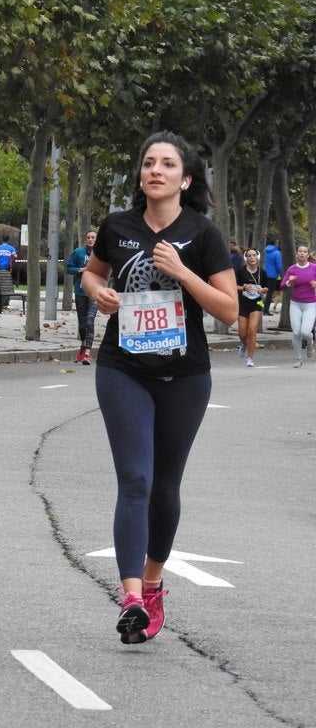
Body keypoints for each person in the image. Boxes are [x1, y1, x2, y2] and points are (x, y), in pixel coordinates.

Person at [81, 131, 237, 645]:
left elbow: (229, 312)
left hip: (185, 375)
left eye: (167, 164)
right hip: (123, 367)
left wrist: (182, 273)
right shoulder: (118, 227)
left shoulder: (203, 233)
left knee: (165, 486)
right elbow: (91, 274)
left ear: (184, 179)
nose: (155, 171)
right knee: (136, 480)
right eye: (148, 163)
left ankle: (152, 584)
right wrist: (100, 292)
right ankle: (129, 598)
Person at [279, 245, 316, 367]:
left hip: (310, 304)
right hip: (295, 303)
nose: (302, 254)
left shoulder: (314, 268)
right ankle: (298, 359)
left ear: (308, 254)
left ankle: (311, 341)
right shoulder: (292, 269)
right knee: (296, 332)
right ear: (296, 254)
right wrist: (290, 281)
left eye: (304, 252)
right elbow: (282, 285)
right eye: (300, 251)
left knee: (305, 332)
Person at [65, 230, 98, 365]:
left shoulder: (101, 253)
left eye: (93, 238)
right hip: (80, 291)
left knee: (90, 321)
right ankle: (83, 345)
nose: (91, 240)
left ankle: (87, 354)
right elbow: (68, 268)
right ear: (86, 240)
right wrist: (80, 269)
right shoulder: (78, 252)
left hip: (94, 292)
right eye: (88, 237)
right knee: (83, 323)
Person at [235, 248, 267, 367]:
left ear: (257, 258)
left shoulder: (262, 272)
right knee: (242, 332)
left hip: (257, 303)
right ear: (246, 258)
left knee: (252, 330)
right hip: (243, 302)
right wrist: (243, 288)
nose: (252, 257)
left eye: (254, 255)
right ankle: (244, 344)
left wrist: (262, 290)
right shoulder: (240, 271)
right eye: (249, 255)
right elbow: (233, 285)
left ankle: (250, 358)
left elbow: (267, 287)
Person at [263, 235, 283, 316]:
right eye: (278, 243)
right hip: (273, 275)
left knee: (262, 293)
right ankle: (266, 311)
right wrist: (281, 274)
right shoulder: (277, 253)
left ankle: (260, 307)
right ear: (276, 243)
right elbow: (279, 266)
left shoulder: (265, 251)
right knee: (270, 294)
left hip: (264, 274)